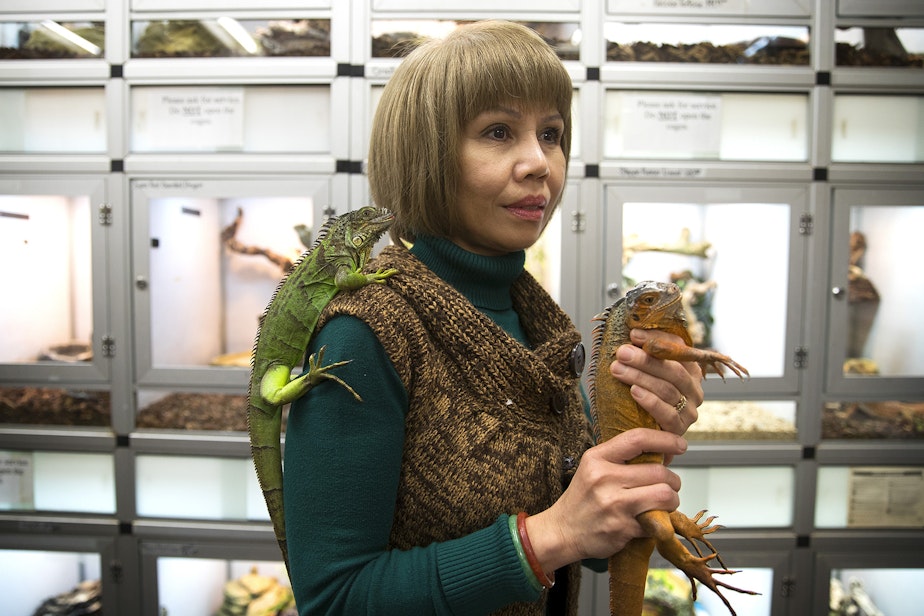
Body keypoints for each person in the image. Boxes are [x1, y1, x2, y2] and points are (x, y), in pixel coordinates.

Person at [283, 20, 704, 616]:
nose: (539, 162)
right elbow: (334, 600)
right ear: (426, 155)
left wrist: (640, 450)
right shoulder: (368, 331)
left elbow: (591, 543)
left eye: (552, 134)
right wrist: (547, 537)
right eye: (498, 132)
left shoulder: (545, 327)